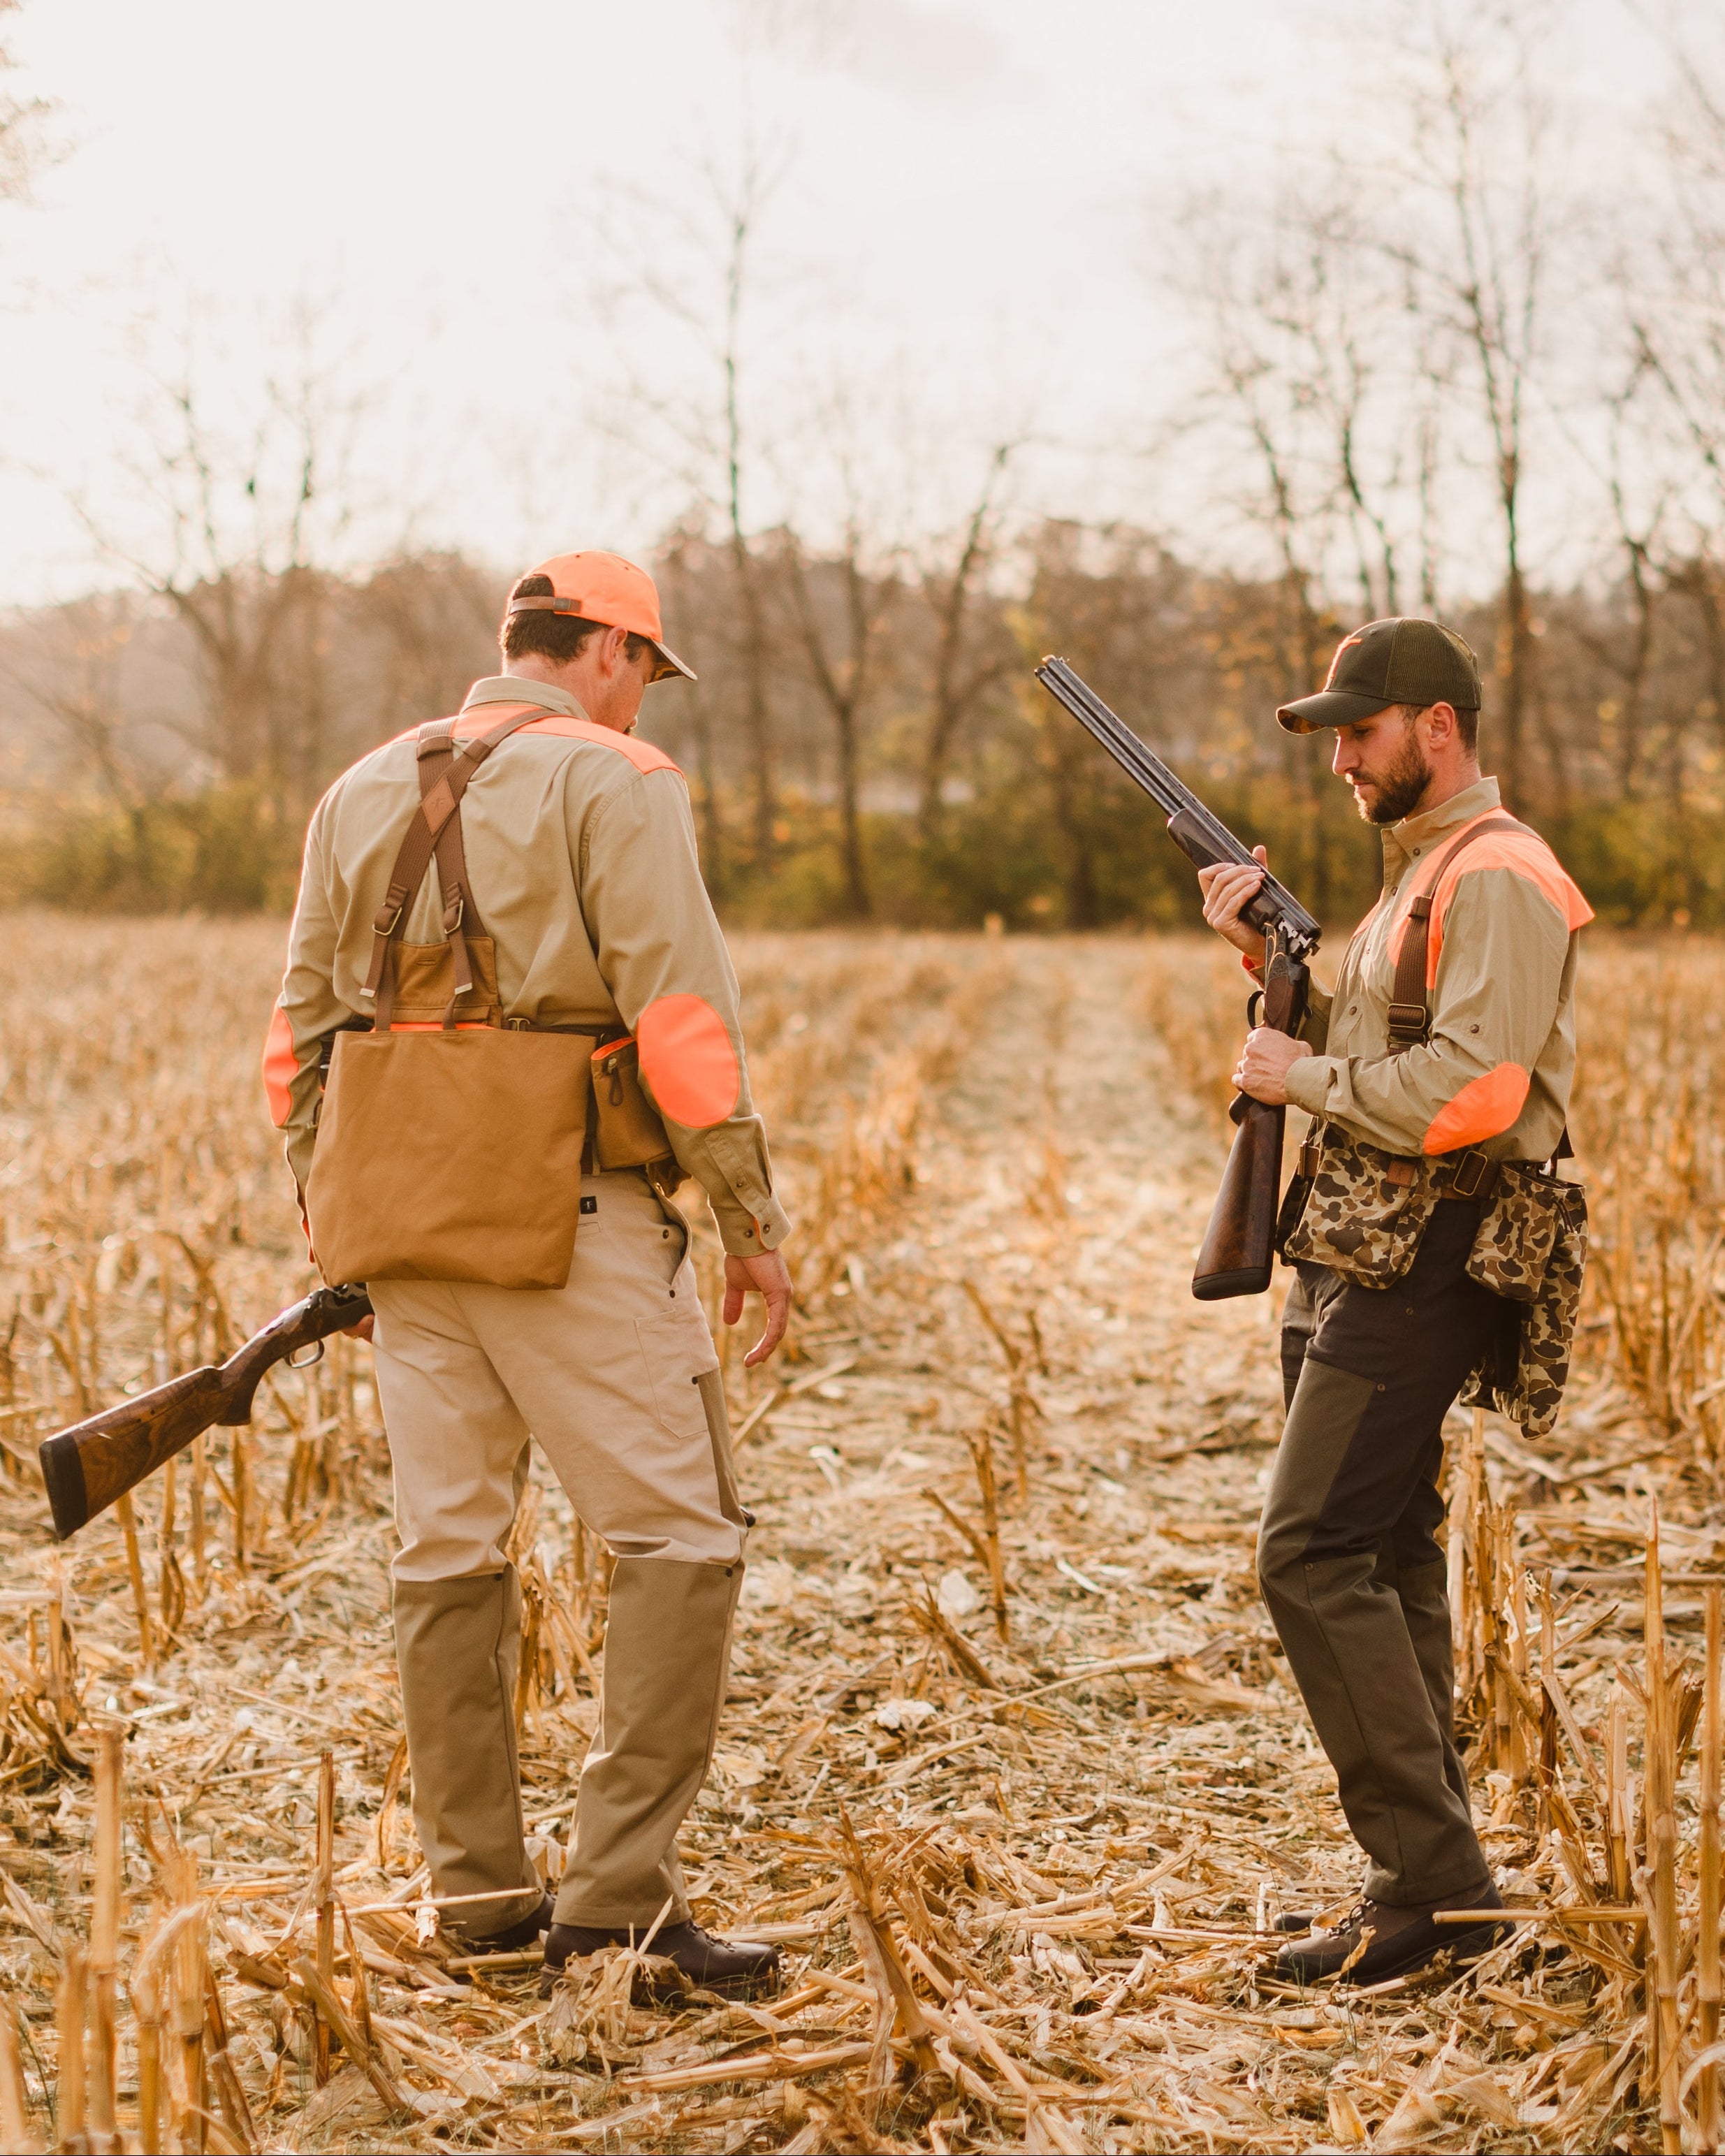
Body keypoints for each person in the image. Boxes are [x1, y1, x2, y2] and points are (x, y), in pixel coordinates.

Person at [263, 551, 792, 1996]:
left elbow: (295, 1041)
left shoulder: (360, 786)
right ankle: (618, 1907)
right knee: (683, 1538)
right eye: (643, 667)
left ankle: (479, 1897)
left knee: (446, 1550)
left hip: (400, 1236)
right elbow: (680, 1022)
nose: (640, 697)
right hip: (569, 1218)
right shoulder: (619, 781)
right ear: (610, 649)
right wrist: (749, 1218)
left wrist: (342, 1216)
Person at [1197, 616, 1592, 1986]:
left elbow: (1474, 1093)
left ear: (1437, 725)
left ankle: (1432, 1883)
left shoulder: (1494, 874)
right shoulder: (1418, 875)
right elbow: (1376, 1045)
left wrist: (1287, 1080)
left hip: (1433, 1251)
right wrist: (1270, 967)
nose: (1340, 762)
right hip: (1361, 1242)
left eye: (1357, 733)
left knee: (1304, 1552)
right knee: (1383, 1549)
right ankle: (1433, 1885)